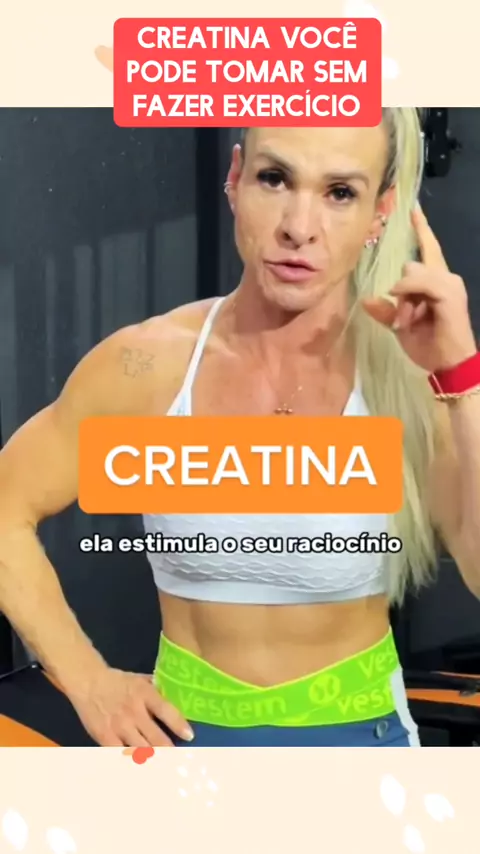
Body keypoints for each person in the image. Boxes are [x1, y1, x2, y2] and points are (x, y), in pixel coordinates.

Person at [0, 108, 479, 748]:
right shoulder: (149, 366)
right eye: (275, 178)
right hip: (184, 743)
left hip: (362, 744)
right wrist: (87, 681)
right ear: (236, 179)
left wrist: (460, 378)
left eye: (340, 192)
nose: (298, 228)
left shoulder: (410, 376)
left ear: (381, 211)